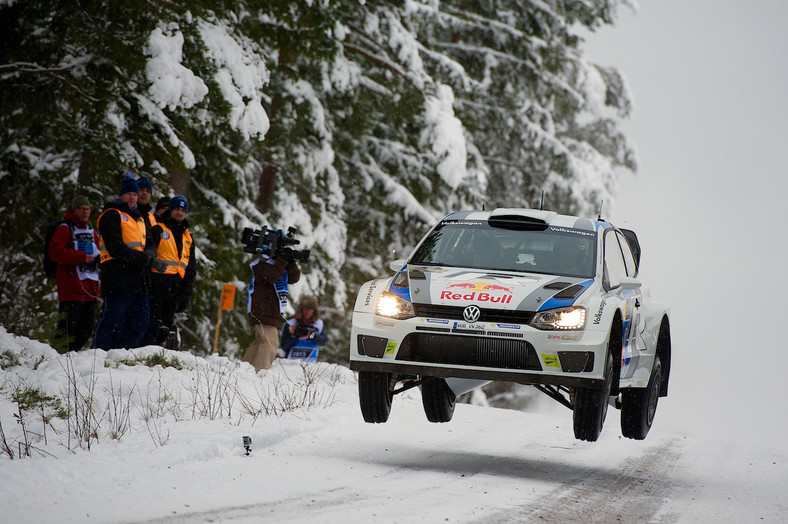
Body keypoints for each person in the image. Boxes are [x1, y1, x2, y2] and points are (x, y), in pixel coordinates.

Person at [93, 173, 167, 350]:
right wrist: (147, 261)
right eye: (130, 194)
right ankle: (98, 354)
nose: (133, 197)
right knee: (112, 321)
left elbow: (149, 241)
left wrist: (150, 253)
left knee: (140, 321)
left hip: (138, 279)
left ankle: (122, 354)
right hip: (117, 276)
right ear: (121, 195)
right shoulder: (112, 215)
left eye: (135, 194)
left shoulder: (140, 218)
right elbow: (116, 248)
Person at [140, 195, 196, 348]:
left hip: (175, 287)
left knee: (165, 327)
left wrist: (186, 293)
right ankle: (143, 353)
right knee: (152, 324)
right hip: (157, 283)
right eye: (177, 209)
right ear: (171, 210)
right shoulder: (159, 229)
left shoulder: (187, 237)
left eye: (183, 210)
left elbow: (190, 268)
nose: (180, 213)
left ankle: (156, 357)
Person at [48, 195, 101, 352]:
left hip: (89, 290)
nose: (85, 212)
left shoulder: (90, 230)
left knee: (85, 330)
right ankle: (57, 358)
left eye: (87, 209)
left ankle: (72, 359)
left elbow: (98, 251)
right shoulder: (65, 229)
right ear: (74, 210)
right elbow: (55, 252)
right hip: (71, 288)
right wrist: (81, 257)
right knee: (66, 330)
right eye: (81, 209)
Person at [243, 250, 301, 371]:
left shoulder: (276, 263)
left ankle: (245, 370)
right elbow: (271, 276)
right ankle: (259, 373)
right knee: (269, 344)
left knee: (260, 342)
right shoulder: (262, 262)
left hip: (271, 311)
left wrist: (290, 262)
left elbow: (293, 278)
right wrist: (282, 260)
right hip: (263, 310)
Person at [279, 295, 328, 362]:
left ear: (314, 310)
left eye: (310, 309)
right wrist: (292, 335)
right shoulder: (291, 324)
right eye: (305, 308)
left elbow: (323, 341)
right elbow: (284, 346)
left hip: (311, 363)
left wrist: (310, 335)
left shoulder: (318, 324)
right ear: (301, 309)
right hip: (291, 363)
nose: (307, 312)